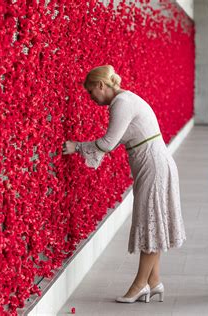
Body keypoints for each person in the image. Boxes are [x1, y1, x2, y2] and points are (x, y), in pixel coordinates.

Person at [63, 65, 186, 303]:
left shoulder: (121, 102)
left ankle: (139, 285)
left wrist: (77, 146)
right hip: (154, 163)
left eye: (91, 92)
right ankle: (153, 281)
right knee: (154, 220)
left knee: (150, 221)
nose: (91, 98)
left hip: (153, 166)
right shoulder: (126, 99)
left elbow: (109, 143)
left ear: (101, 85)